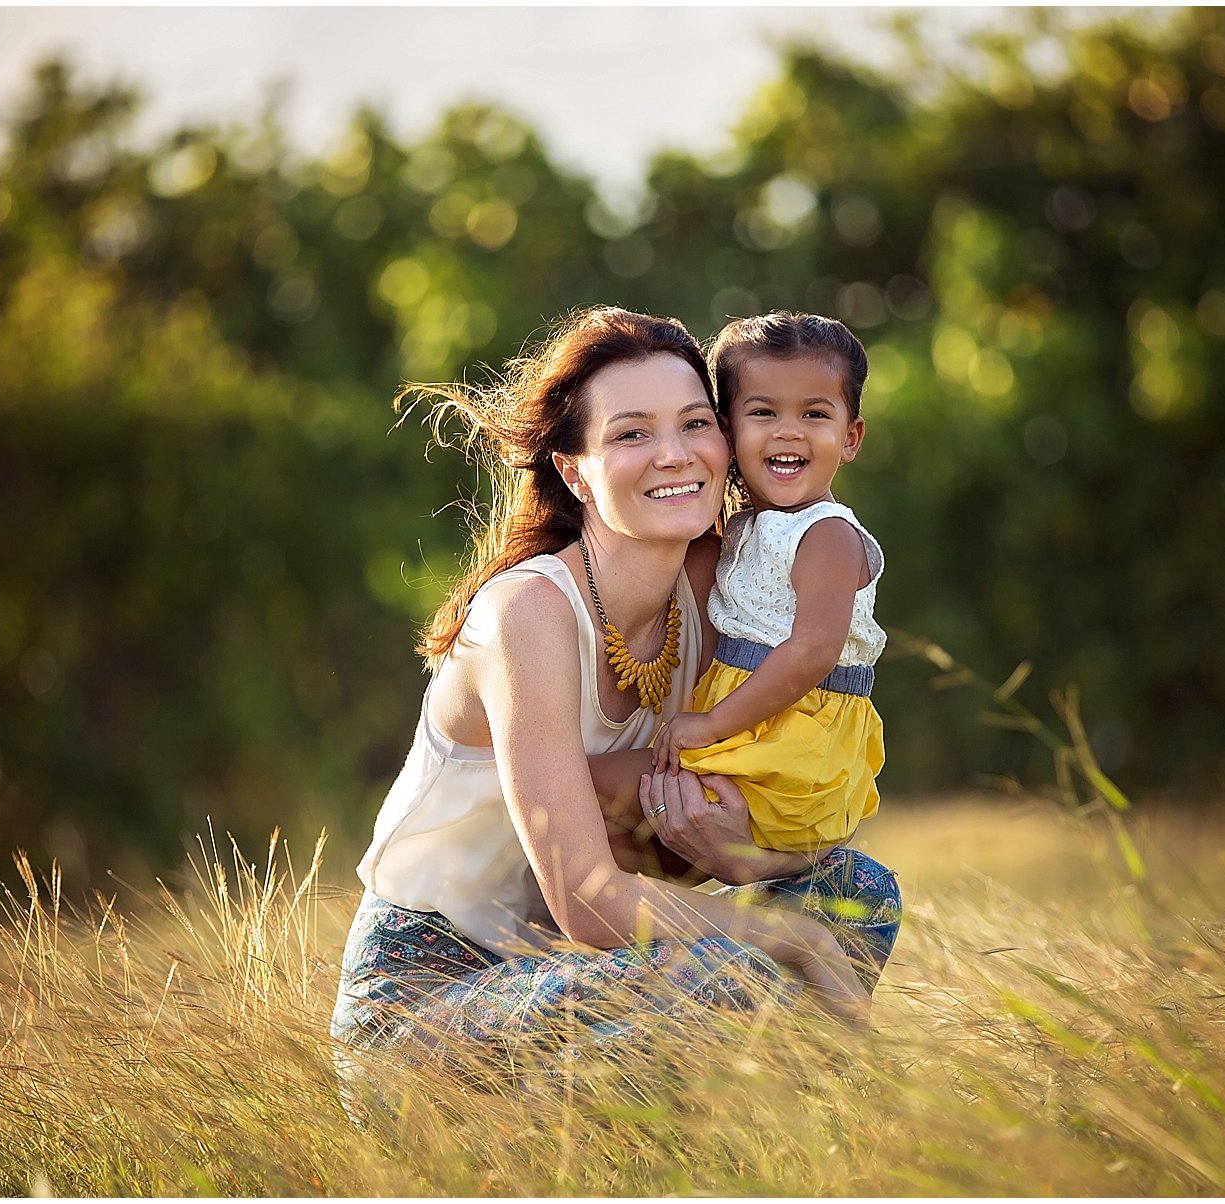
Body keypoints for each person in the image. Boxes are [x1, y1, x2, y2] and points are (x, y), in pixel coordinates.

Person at [330, 307, 903, 1068]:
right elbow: (589, 901)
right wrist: (786, 935)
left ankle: (754, 1158)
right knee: (732, 966)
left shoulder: (722, 587)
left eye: (695, 423)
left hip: (584, 967)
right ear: (575, 469)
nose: (673, 454)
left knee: (856, 890)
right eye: (632, 434)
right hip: (432, 993)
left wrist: (744, 865)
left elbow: (668, 847)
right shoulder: (527, 612)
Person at [641, 313, 884, 856]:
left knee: (603, 785)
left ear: (850, 438)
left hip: (788, 743)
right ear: (727, 430)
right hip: (753, 728)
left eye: (815, 414)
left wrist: (711, 724)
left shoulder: (826, 534)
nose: (788, 431)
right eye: (763, 412)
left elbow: (812, 650)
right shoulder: (742, 527)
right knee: (623, 820)